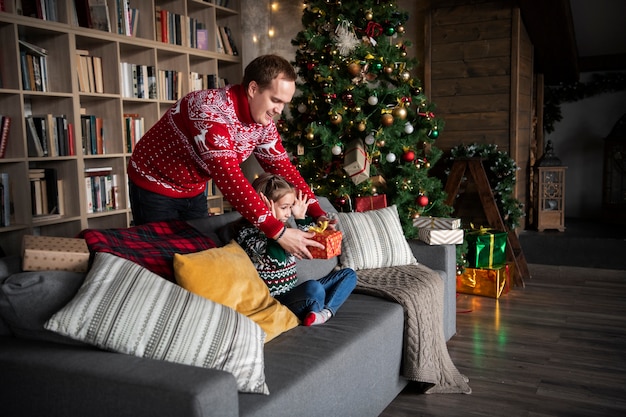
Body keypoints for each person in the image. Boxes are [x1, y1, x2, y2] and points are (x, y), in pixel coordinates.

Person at [127, 54, 329, 259]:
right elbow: (229, 178)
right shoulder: (207, 108)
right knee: (163, 260)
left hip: (194, 188)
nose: (279, 110)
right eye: (275, 100)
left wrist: (317, 212)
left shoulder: (263, 124)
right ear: (253, 89)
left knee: (198, 256)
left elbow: (282, 168)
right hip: (154, 184)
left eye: (284, 103)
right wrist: (278, 232)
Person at [235, 173, 357, 326]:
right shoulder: (247, 233)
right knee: (314, 288)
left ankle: (324, 313)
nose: (288, 213)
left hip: (296, 292)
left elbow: (309, 249)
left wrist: (301, 218)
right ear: (263, 204)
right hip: (278, 301)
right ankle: (317, 310)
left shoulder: (286, 228)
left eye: (290, 207)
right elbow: (275, 260)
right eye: (284, 207)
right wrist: (270, 224)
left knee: (349, 274)